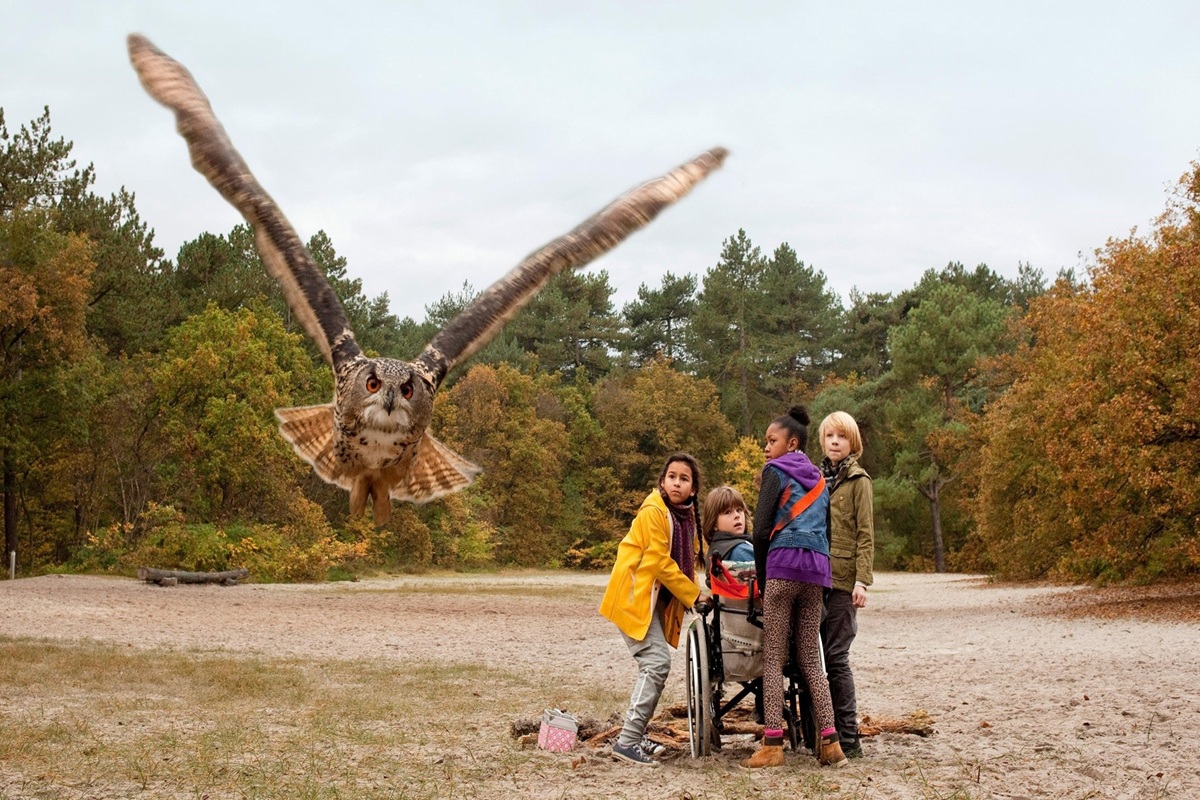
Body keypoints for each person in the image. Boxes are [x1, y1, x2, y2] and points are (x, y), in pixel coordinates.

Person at [742, 406, 847, 769]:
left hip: (783, 567)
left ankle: (773, 744)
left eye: (771, 441)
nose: (766, 448)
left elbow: (758, 531)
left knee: (773, 656)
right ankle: (831, 743)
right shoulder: (820, 479)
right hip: (816, 571)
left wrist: (763, 576)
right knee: (810, 657)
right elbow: (828, 533)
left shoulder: (775, 471)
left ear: (792, 442)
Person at [599, 452, 704, 766]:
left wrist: (700, 589)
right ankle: (628, 741)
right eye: (672, 476)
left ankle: (635, 734)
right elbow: (659, 562)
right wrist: (694, 596)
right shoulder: (654, 512)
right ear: (662, 481)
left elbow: (685, 567)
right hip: (633, 599)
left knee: (655, 665)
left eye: (684, 479)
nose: (676, 483)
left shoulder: (684, 520)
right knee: (656, 663)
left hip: (651, 602)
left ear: (693, 489)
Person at [819, 411, 874, 759]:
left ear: (852, 442)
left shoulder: (859, 481)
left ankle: (849, 738)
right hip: (813, 576)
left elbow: (865, 535)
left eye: (842, 436)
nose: (835, 442)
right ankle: (821, 732)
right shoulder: (813, 478)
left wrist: (862, 582)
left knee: (836, 657)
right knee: (811, 658)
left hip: (842, 580)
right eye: (829, 436)